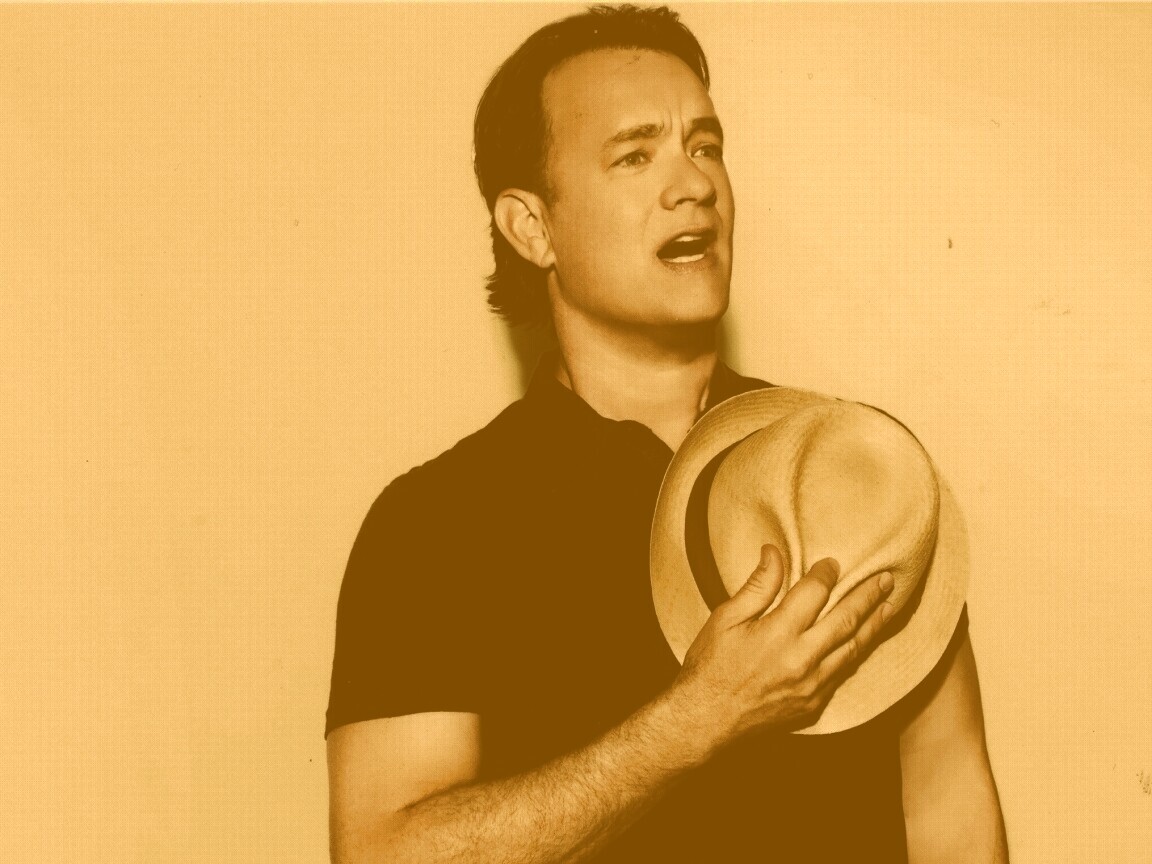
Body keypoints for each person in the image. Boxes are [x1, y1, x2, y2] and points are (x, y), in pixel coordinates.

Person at [325, 5, 1008, 862]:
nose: (695, 184)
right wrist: (701, 716)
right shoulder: (435, 522)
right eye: (635, 155)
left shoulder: (856, 458)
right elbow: (384, 853)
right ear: (532, 226)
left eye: (706, 145)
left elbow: (948, 805)